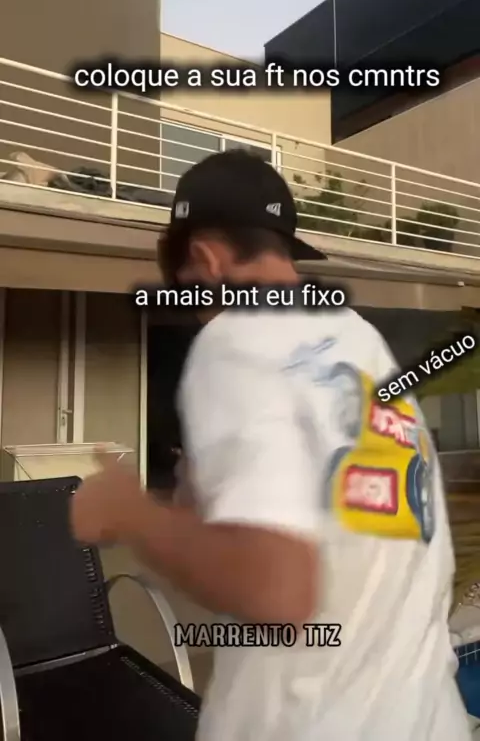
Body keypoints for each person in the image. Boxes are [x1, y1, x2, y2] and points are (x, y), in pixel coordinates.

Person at [71, 149, 470, 741]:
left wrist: (132, 514)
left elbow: (278, 588)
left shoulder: (238, 335)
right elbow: (339, 530)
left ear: (205, 259)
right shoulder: (360, 343)